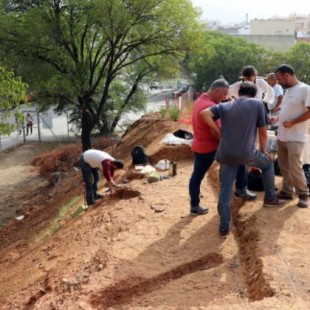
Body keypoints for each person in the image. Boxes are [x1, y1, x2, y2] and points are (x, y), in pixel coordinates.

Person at [201, 81, 285, 238]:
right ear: (253, 94)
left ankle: (224, 226)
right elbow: (263, 132)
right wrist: (263, 151)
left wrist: (219, 131)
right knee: (267, 165)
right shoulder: (257, 104)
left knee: (225, 189)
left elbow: (204, 113)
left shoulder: (226, 105)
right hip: (246, 153)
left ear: (240, 93)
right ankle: (270, 198)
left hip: (226, 154)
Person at [189, 79, 256, 217]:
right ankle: (241, 189)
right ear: (217, 90)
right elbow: (215, 132)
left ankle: (194, 206)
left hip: (199, 144)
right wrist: (226, 136)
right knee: (240, 157)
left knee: (196, 176)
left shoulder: (200, 101)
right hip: (211, 146)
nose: (225, 97)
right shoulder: (209, 107)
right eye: (224, 94)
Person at [274, 64, 310, 208]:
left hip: (295, 137)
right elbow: (288, 110)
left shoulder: (305, 89)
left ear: (287, 75)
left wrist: (293, 122)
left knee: (295, 167)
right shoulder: (289, 90)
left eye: (279, 79)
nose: (278, 82)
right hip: (282, 136)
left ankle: (303, 194)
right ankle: (287, 191)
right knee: (284, 167)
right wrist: (277, 119)